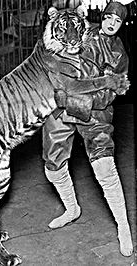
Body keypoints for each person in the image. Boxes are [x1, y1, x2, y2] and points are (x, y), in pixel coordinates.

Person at [43, 1, 133, 257]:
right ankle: (71, 209)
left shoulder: (119, 55)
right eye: (108, 18)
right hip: (63, 108)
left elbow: (115, 90)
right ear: (102, 17)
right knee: (52, 163)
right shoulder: (83, 30)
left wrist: (79, 100)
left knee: (106, 168)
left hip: (95, 112)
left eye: (117, 22)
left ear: (121, 25)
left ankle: (124, 228)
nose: (111, 24)